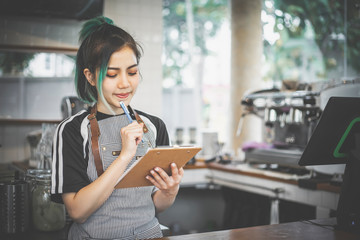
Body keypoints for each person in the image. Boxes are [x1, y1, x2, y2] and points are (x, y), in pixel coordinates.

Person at [51, 16, 183, 239]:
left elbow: (154, 205)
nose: (125, 83)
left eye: (132, 72)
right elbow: (78, 211)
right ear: (91, 77)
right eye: (112, 74)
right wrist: (124, 156)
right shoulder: (72, 130)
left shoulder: (154, 126)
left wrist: (169, 191)